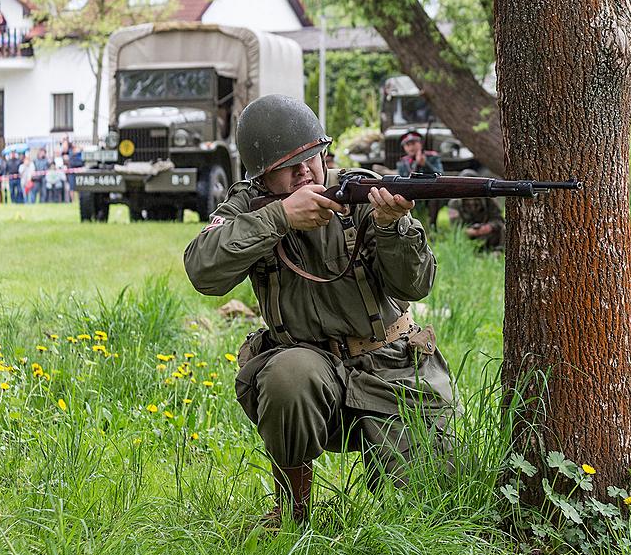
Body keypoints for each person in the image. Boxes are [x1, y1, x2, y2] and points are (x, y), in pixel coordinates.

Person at [184, 95, 456, 526]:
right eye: (287, 167)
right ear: (261, 177)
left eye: (312, 157)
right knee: (287, 374)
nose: (305, 172)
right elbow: (203, 270)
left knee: (436, 502)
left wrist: (393, 226)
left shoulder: (365, 192)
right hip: (309, 371)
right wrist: (280, 219)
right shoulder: (252, 207)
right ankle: (293, 512)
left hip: (390, 368)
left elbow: (415, 285)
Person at [447, 169, 506, 251]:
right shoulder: (454, 203)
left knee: (504, 229)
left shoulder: (488, 200)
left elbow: (499, 219)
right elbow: (455, 226)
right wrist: (469, 231)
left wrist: (489, 227)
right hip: (468, 237)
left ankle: (497, 250)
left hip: (488, 234)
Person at [395, 131, 443, 228]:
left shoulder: (432, 157)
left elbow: (440, 174)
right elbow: (402, 179)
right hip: (412, 192)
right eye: (407, 145)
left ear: (420, 144)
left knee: (435, 197)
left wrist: (425, 165)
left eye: (413, 143)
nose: (411, 147)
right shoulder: (403, 162)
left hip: (429, 191)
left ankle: (432, 226)